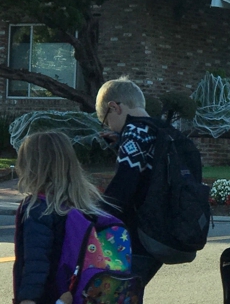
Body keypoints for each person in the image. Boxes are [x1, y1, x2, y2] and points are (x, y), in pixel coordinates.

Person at [12, 131, 113, 304]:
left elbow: (36, 263)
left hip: (48, 295)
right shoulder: (84, 206)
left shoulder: (38, 208)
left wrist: (27, 299)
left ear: (31, 167)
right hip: (76, 293)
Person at [94, 76, 162, 291]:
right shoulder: (162, 129)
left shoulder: (134, 132)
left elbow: (123, 187)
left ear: (114, 107)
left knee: (118, 294)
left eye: (106, 119)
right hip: (162, 233)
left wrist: (92, 217)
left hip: (137, 235)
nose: (110, 126)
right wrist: (120, 145)